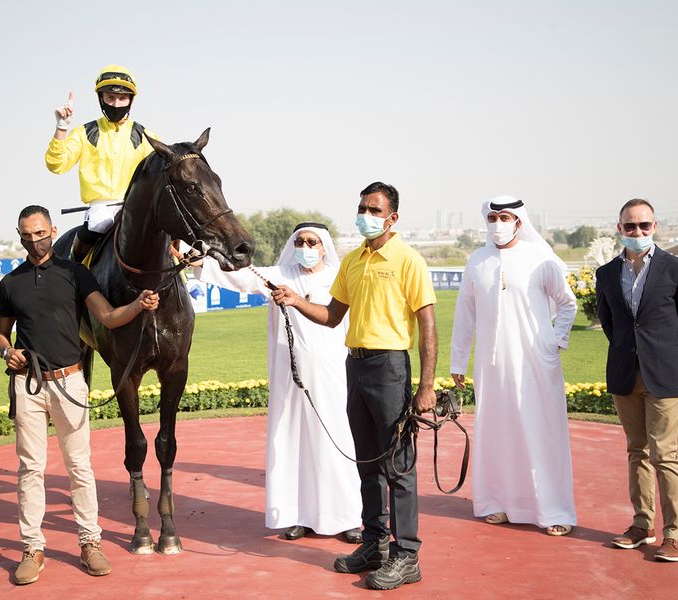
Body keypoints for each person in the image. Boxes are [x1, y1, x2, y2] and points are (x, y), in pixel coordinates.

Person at [271, 182, 438, 591]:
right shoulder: (353, 262)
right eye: (362, 207)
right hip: (356, 364)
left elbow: (428, 326)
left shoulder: (407, 260)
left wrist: (427, 384)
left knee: (397, 465)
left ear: (392, 217)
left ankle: (407, 556)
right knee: (367, 463)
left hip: (390, 367)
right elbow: (331, 315)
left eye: (374, 209)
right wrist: (295, 300)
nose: (365, 215)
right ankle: (375, 544)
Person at [0, 205, 159, 585]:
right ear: (19, 235)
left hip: (69, 382)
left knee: (79, 467)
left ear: (53, 230)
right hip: (28, 384)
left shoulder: (75, 273)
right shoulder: (12, 282)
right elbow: (2, 333)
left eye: (40, 233)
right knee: (30, 469)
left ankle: (89, 542)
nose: (35, 241)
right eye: (27, 235)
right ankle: (32, 548)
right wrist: (6, 351)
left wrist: (138, 304)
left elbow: (108, 317)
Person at [193, 223, 362, 543]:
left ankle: (347, 517)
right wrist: (199, 261)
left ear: (324, 247)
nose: (306, 246)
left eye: (312, 242)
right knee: (292, 443)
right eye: (300, 241)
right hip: (289, 376)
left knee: (333, 442)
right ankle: (297, 516)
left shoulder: (339, 278)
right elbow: (238, 275)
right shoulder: (278, 275)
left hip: (332, 375)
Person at [449, 196, 578, 536]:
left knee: (542, 432)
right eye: (492, 217)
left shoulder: (541, 259)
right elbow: (465, 316)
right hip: (492, 366)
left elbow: (567, 303)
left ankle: (554, 510)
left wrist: (556, 342)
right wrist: (458, 361)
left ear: (519, 221)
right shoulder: (477, 261)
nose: (498, 223)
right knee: (499, 432)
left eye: (505, 216)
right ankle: (500, 501)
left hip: (537, 362)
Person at [596, 198, 678, 562]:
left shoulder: (674, 270)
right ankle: (642, 525)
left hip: (666, 375)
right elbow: (611, 324)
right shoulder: (607, 273)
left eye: (644, 226)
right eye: (630, 227)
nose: (638, 232)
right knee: (636, 451)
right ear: (620, 229)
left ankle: (673, 533)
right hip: (626, 374)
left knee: (666, 455)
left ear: (655, 227)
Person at [45, 64, 160, 263]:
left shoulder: (146, 136)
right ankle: (74, 271)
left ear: (131, 100)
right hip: (101, 208)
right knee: (99, 223)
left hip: (137, 207)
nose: (116, 104)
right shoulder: (84, 133)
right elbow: (57, 165)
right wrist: (62, 128)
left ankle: (181, 281)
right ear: (101, 99)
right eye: (110, 98)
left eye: (122, 98)